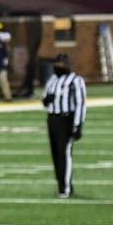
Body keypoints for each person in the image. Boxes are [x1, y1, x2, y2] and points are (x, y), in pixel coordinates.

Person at [42, 53, 86, 199]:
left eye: (61, 64)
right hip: (52, 118)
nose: (58, 66)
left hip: (66, 119)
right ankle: (62, 184)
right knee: (55, 154)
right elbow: (44, 99)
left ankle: (64, 188)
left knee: (64, 154)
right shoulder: (52, 80)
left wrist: (78, 124)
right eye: (56, 63)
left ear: (67, 65)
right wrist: (46, 99)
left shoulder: (76, 80)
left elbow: (80, 103)